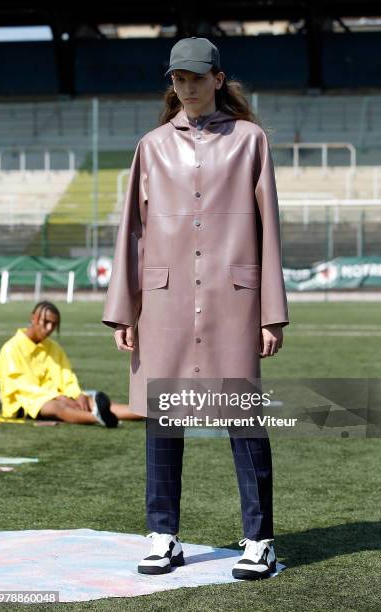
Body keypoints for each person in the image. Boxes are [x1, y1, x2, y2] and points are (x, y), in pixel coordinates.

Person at [102, 37, 289, 578]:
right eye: (177, 78)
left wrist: (270, 313)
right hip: (164, 303)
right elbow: (131, 232)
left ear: (217, 79)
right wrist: (124, 310)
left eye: (195, 77)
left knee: (243, 420)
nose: (185, 86)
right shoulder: (151, 146)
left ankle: (259, 541)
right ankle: (163, 536)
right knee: (163, 422)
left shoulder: (250, 141)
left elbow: (268, 229)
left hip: (234, 299)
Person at [0, 301, 143, 427]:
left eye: (54, 324)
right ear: (34, 318)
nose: (50, 328)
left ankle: (149, 411)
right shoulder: (11, 348)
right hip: (23, 403)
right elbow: (22, 387)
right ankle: (99, 418)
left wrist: (77, 395)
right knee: (56, 407)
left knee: (88, 400)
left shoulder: (54, 347)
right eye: (46, 322)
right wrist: (58, 396)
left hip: (56, 396)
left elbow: (66, 377)